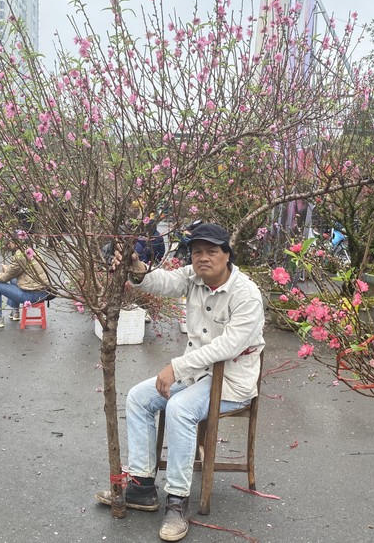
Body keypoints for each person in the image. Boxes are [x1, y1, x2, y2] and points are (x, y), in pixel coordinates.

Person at [95, 223, 265, 542]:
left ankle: (177, 501)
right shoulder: (193, 277)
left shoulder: (247, 294)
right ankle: (143, 487)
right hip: (197, 376)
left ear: (227, 254)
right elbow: (164, 282)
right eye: (197, 251)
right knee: (138, 398)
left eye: (212, 251)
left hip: (230, 383)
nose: (203, 258)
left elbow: (228, 346)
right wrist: (138, 268)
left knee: (179, 409)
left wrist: (176, 366)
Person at [0, 242, 50, 328]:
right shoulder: (31, 251)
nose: (8, 243)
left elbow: (4, 278)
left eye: (10, 241)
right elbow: (18, 272)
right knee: (13, 279)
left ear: (16, 242)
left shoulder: (21, 256)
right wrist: (8, 270)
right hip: (41, 292)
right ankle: (15, 311)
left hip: (32, 296)